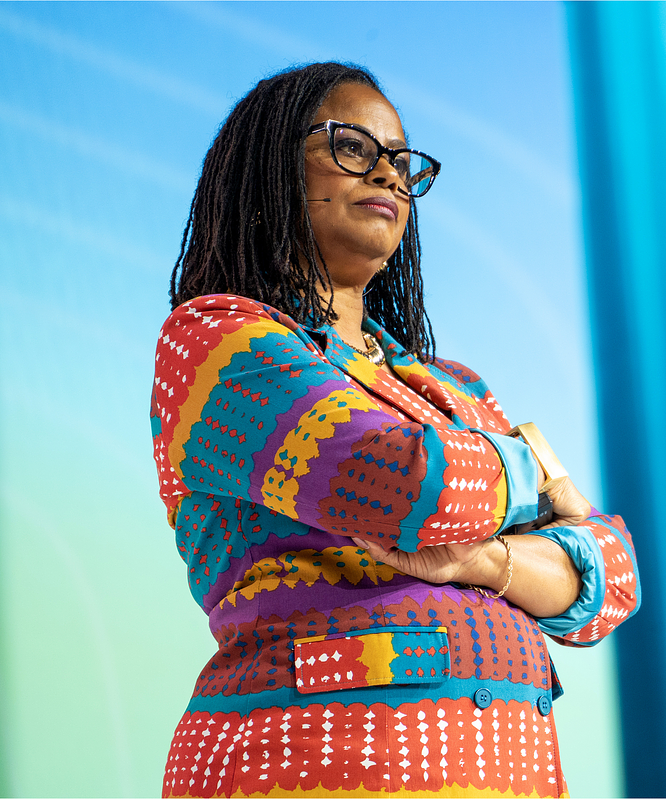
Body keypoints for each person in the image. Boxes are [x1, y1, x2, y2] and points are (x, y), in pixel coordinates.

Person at [150, 61, 640, 798]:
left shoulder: (457, 386)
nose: (385, 171)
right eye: (350, 145)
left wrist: (480, 563)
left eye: (401, 161)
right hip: (306, 768)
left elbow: (612, 578)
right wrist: (532, 477)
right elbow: (410, 483)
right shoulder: (217, 342)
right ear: (268, 173)